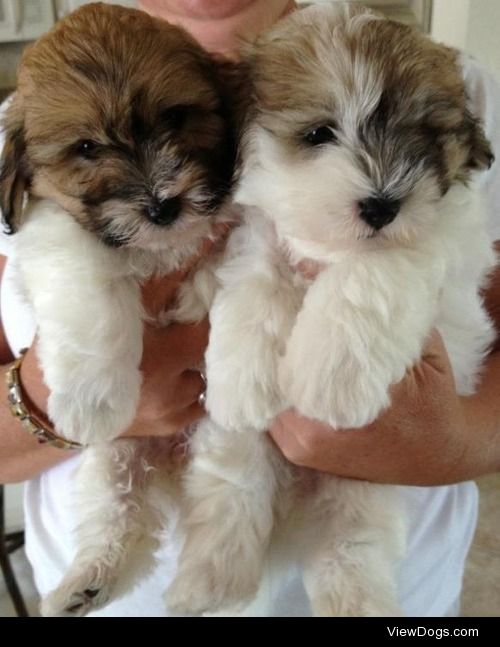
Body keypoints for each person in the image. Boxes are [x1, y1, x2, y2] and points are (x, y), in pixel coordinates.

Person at [0, 0, 499, 617]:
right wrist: (51, 403)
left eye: (181, 119)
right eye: (85, 150)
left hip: (412, 580)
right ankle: (116, 547)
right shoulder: (26, 124)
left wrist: (456, 442)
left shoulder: (462, 84)